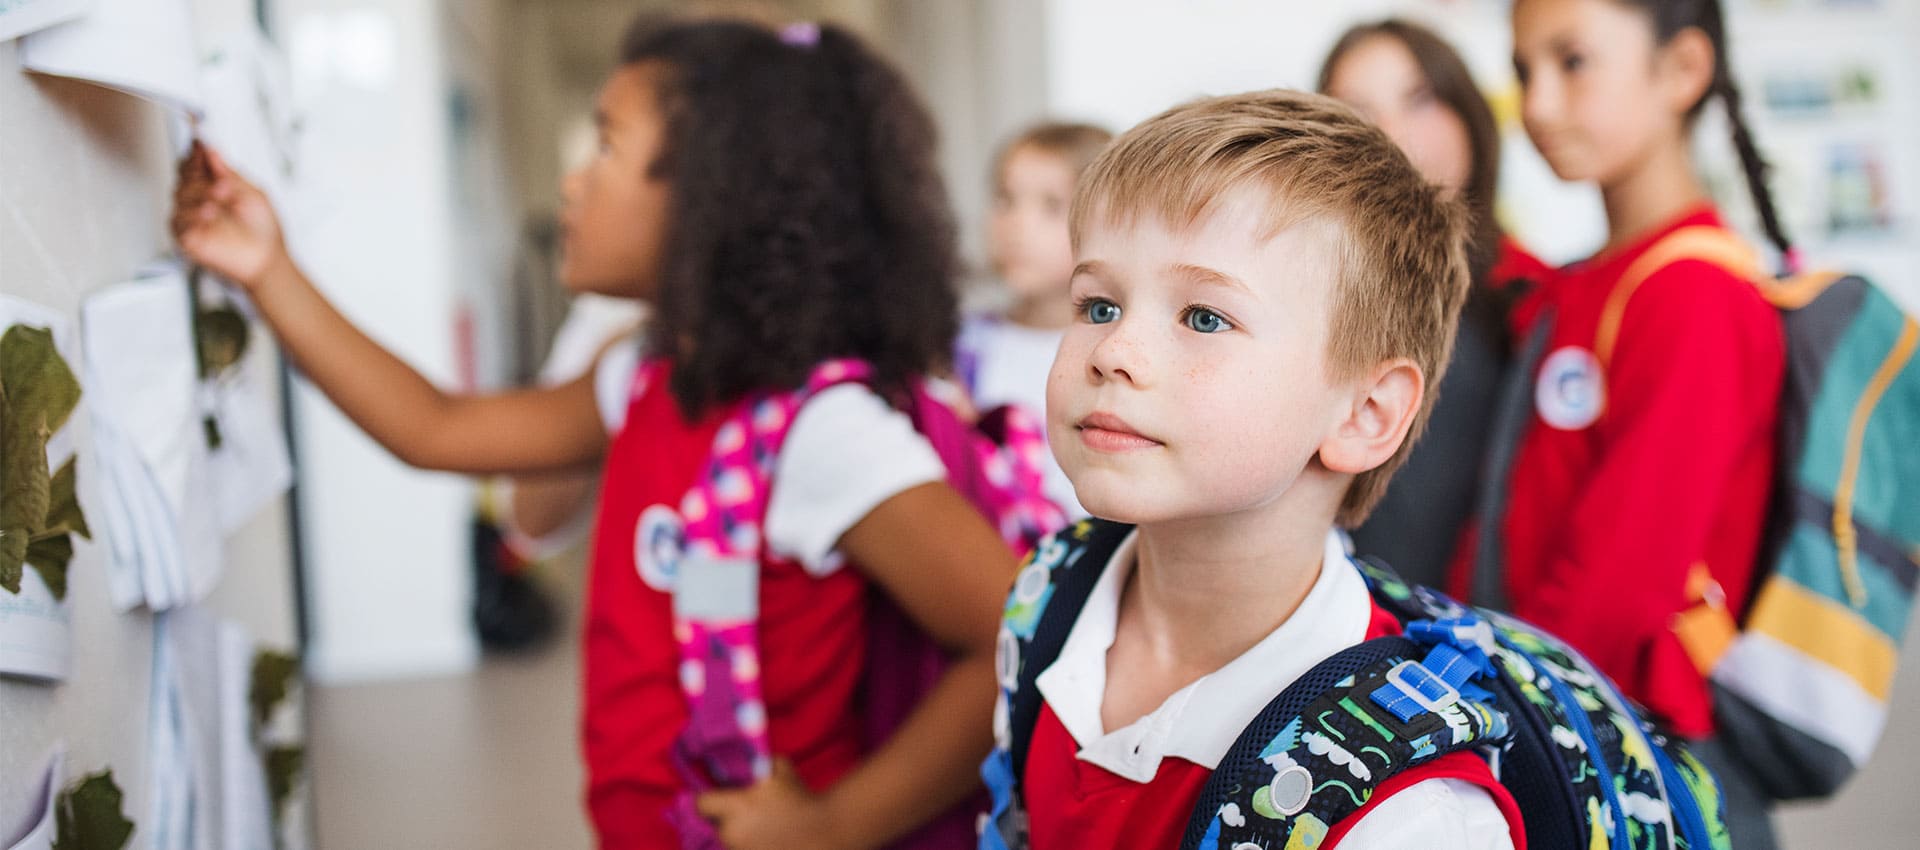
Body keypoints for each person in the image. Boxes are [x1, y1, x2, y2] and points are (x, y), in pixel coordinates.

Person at [173, 16, 1013, 849]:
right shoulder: (638, 380)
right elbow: (434, 427)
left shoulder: (824, 433)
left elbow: (1007, 634)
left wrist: (833, 825)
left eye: (605, 145)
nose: (572, 183)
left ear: (713, 197)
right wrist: (268, 272)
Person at [989, 89, 1517, 849]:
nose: (1112, 353)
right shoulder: (1049, 595)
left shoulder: (1410, 814)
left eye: (1205, 317)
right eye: (1099, 305)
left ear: (1364, 414)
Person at [1456, 0, 1790, 844]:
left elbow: (1621, 584)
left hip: (1631, 756)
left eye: (1573, 62)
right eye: (1525, 70)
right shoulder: (1585, 282)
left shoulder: (1695, 295)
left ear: (1681, 69)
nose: (1536, 105)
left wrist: (1483, 717)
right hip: (1558, 718)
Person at [1318, 19, 1552, 586]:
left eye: (1419, 99)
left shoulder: (1539, 296)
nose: (1391, 130)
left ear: (1468, 112)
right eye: (1358, 109)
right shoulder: (1303, 298)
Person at [957, 122, 1113, 516]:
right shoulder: (964, 345)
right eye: (1005, 199)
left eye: (1051, 206)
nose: (1016, 226)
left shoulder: (1114, 351)